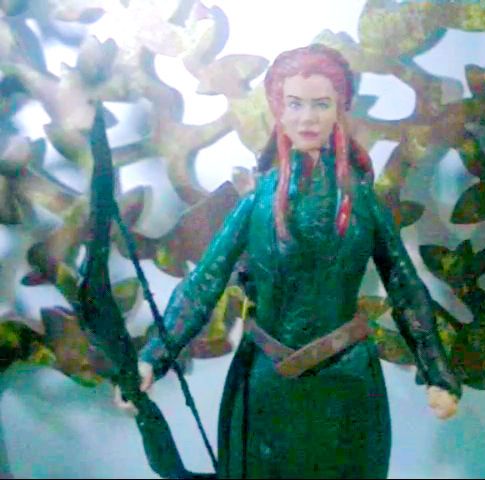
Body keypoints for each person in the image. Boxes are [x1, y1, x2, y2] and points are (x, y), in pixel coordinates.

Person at [116, 44, 461, 479]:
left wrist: (436, 370)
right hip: (265, 383)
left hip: (346, 382)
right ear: (278, 109)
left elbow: (404, 285)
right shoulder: (258, 201)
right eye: (295, 104)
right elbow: (204, 283)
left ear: (340, 108)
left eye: (321, 104)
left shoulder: (362, 201)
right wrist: (152, 357)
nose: (307, 118)